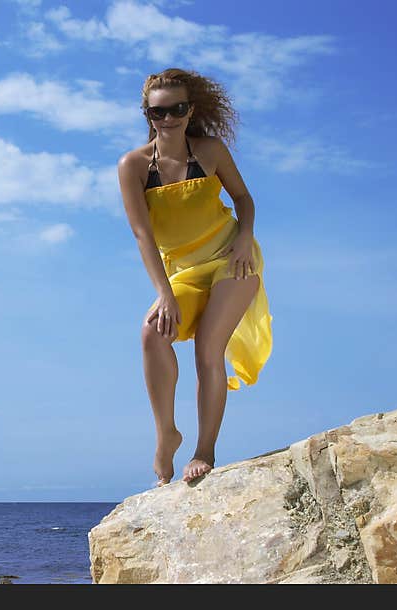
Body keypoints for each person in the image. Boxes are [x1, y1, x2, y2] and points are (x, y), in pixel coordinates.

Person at [116, 68, 273, 487]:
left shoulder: (210, 151)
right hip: (182, 271)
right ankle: (166, 432)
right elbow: (141, 234)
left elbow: (243, 199)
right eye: (158, 111)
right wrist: (163, 293)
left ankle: (205, 450)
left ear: (190, 111)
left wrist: (245, 238)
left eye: (177, 109)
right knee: (151, 333)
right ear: (147, 114)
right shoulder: (132, 165)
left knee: (208, 349)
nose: (167, 118)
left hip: (231, 260)